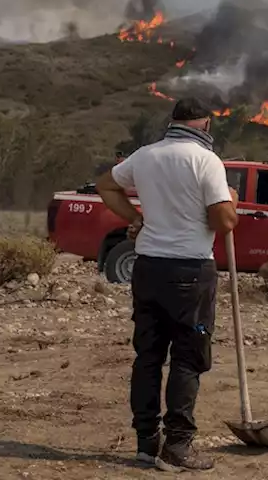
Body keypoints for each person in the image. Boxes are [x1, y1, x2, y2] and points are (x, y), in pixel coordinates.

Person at [94, 97, 238, 472]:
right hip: (190, 270)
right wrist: (231, 201)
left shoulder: (145, 156)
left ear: (174, 121)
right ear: (205, 126)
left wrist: (137, 217)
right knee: (188, 360)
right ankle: (177, 446)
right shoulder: (207, 161)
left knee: (148, 357)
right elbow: (223, 222)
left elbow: (106, 185)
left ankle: (146, 444)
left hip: (148, 268)